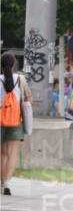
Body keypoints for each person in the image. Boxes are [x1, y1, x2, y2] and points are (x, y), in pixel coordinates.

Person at [0, 53, 32, 195]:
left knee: (2, 153)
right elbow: (28, 98)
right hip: (15, 119)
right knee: (12, 153)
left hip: (0, 119)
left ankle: (1, 181)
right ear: (13, 64)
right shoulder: (21, 79)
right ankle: (7, 183)